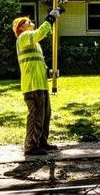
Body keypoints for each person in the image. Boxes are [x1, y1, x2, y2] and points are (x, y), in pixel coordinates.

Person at [12, 8, 62, 155]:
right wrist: (51, 18)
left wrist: (49, 73)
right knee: (35, 116)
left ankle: (41, 142)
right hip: (32, 86)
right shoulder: (24, 37)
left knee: (45, 115)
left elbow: (37, 65)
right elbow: (40, 33)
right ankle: (31, 146)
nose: (31, 21)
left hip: (40, 84)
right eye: (28, 21)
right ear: (21, 28)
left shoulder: (33, 44)